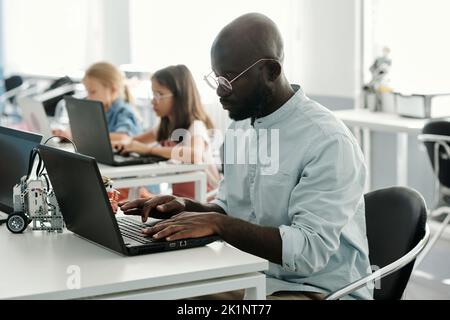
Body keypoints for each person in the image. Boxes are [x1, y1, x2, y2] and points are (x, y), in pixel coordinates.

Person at [119, 13, 373, 300]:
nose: (219, 91)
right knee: (153, 290)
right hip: (257, 277)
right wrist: (186, 207)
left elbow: (307, 252)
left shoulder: (327, 141)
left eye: (229, 79)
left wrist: (219, 224)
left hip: (321, 290)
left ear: (271, 72)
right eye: (216, 78)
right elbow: (231, 209)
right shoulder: (241, 126)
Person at [113, 64, 221, 200]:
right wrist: (114, 143)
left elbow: (195, 155)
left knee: (142, 198)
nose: (153, 101)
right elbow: (134, 141)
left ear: (179, 96)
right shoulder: (164, 126)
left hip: (206, 199)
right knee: (139, 196)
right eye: (153, 94)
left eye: (159, 94)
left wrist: (148, 150)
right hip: (181, 200)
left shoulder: (196, 126)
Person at [53, 62, 142, 141]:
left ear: (113, 89)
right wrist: (66, 134)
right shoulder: (97, 110)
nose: (88, 97)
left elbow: (123, 137)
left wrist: (78, 136)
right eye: (87, 91)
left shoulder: (124, 111)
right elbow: (85, 132)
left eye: (93, 92)